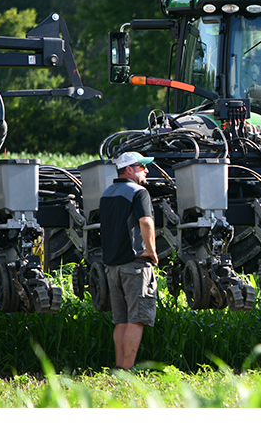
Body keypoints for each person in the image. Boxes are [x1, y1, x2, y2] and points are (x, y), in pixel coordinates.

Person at [100, 151, 158, 371]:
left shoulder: (107, 193)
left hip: (112, 266)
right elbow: (145, 221)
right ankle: (127, 371)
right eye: (142, 167)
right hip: (134, 265)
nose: (146, 171)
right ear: (129, 169)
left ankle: (118, 367)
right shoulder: (139, 192)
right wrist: (151, 251)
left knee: (121, 320)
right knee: (136, 320)